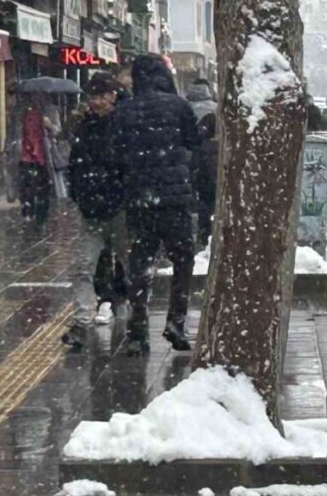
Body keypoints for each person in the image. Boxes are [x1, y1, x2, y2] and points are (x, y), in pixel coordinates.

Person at [111, 54, 199, 355]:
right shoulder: (180, 107)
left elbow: (116, 155)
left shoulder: (124, 111)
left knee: (140, 263)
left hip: (139, 201)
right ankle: (176, 319)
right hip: (175, 200)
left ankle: (137, 330)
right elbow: (194, 145)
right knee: (183, 259)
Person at [63, 72, 128, 349]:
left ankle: (134, 317)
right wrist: (79, 193)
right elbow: (76, 163)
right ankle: (81, 321)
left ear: (113, 95)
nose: (97, 102)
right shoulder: (85, 126)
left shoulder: (125, 123)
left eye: (101, 96)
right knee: (82, 266)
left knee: (129, 263)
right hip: (91, 209)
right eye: (93, 97)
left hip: (120, 209)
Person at [187, 79, 218, 247]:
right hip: (216, 163)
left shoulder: (185, 108)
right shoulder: (216, 109)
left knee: (202, 201)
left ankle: (203, 233)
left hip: (195, 161)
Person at [18, 94, 55, 228]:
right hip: (25, 156)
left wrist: (50, 126)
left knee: (43, 189)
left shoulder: (50, 111)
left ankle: (41, 217)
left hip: (42, 157)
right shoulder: (20, 113)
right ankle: (28, 213)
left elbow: (59, 132)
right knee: (26, 188)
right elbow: (13, 133)